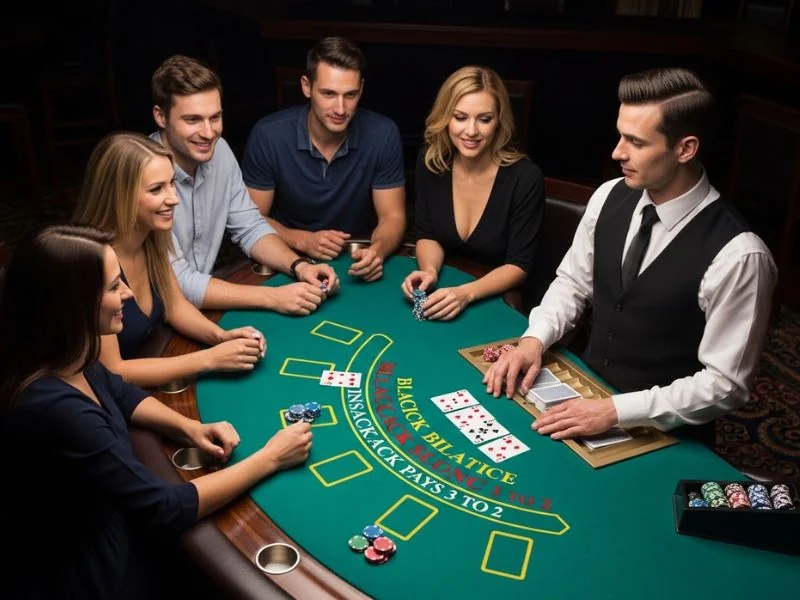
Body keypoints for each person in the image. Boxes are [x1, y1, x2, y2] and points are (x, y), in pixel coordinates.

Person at [0, 224, 312, 600]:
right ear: (75, 303)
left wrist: (188, 426)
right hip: (93, 575)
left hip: (109, 532)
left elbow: (118, 392)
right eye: (115, 286)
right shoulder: (56, 408)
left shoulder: (65, 352)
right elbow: (164, 507)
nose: (128, 294)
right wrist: (270, 458)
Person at [484, 67, 777, 439]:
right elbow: (573, 282)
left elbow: (725, 385)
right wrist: (534, 340)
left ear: (685, 148)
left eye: (636, 142)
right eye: (620, 135)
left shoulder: (740, 256)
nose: (617, 152)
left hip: (667, 434)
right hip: (584, 389)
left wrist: (615, 412)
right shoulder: (608, 195)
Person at [73, 132, 266, 388]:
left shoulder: (152, 237)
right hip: (103, 403)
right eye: (156, 189)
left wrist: (221, 337)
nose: (174, 199)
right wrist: (209, 359)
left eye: (172, 183)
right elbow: (115, 370)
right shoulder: (91, 263)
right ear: (120, 195)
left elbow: (174, 305)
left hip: (150, 374)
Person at [150, 55, 339, 311]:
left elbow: (249, 226)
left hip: (196, 305)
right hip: (151, 318)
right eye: (192, 120)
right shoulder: (143, 176)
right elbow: (177, 284)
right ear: (161, 117)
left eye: (215, 117)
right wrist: (272, 298)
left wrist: (300, 266)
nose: (208, 133)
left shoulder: (220, 151)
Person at [241, 36, 406, 282]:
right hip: (288, 257)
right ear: (306, 87)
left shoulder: (383, 133)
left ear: (361, 89)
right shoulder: (268, 135)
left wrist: (378, 250)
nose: (340, 109)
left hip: (357, 259)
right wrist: (302, 239)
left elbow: (393, 216)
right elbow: (250, 219)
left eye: (350, 95)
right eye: (328, 93)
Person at [401, 65, 544, 321]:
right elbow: (427, 235)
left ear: (499, 120)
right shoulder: (432, 162)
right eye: (460, 117)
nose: (471, 131)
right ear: (446, 117)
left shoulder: (525, 177)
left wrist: (466, 294)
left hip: (496, 300)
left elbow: (519, 265)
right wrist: (431, 271)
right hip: (447, 289)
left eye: (484, 119)